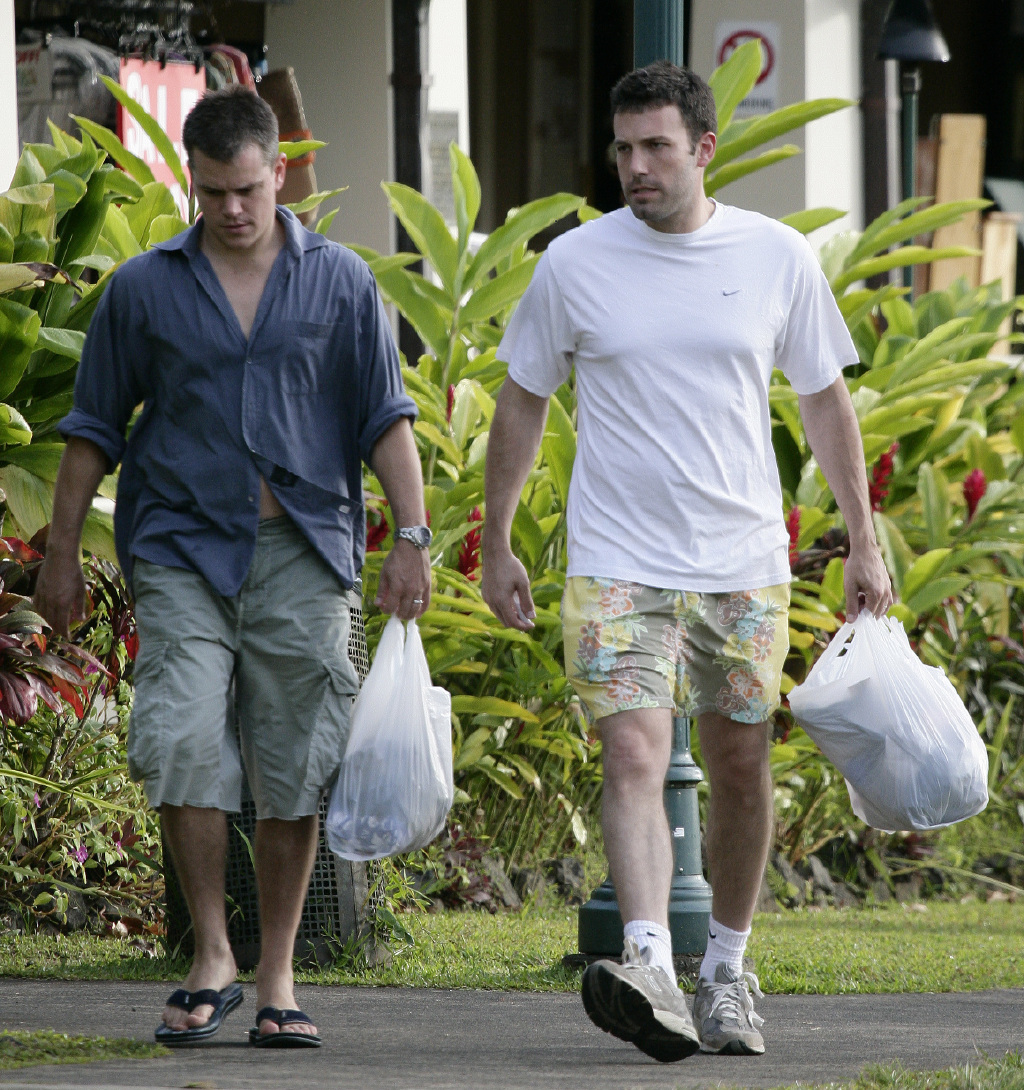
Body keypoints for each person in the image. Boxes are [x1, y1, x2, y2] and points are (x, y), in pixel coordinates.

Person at [481, 61, 892, 1063]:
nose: (634, 167)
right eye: (622, 149)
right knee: (631, 755)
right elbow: (522, 398)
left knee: (740, 766)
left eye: (655, 147)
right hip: (617, 559)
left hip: (742, 561)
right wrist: (493, 540)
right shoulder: (574, 264)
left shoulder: (775, 256)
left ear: (703, 149)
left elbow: (824, 399)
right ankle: (651, 961)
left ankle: (728, 972)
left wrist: (863, 537)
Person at [33, 86, 433, 1049]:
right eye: (210, 192)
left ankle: (278, 972)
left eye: (246, 189)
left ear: (280, 173)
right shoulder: (144, 287)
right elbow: (93, 428)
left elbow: (386, 419)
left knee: (296, 763)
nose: (231, 210)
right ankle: (211, 950)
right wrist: (58, 554)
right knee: (180, 741)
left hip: (302, 548)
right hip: (180, 549)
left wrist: (413, 538)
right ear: (193, 182)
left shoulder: (339, 282)